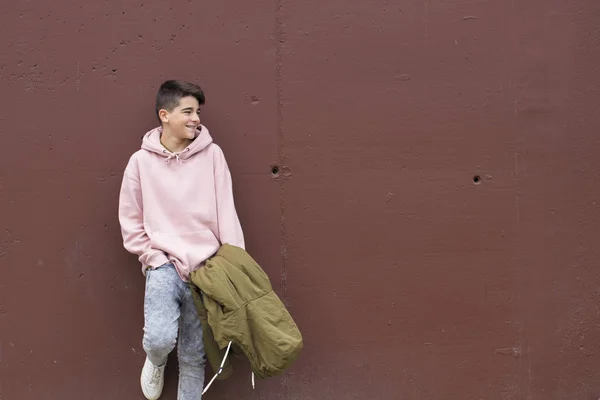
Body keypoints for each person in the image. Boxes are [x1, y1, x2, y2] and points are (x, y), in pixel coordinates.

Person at [118, 80, 245, 400]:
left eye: (198, 111)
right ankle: (156, 360)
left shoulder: (212, 155)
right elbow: (130, 220)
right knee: (160, 338)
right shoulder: (140, 162)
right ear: (165, 115)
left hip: (206, 268)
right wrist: (153, 257)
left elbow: (226, 212)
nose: (195, 118)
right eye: (187, 111)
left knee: (193, 356)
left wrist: (233, 264)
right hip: (163, 264)